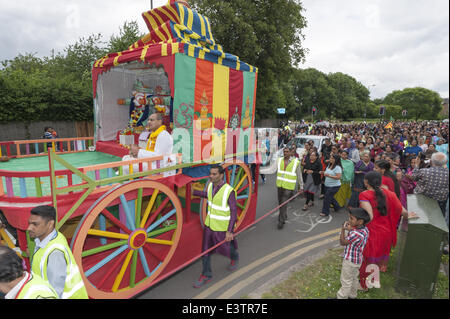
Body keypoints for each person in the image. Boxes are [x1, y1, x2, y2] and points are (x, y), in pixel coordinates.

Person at [358, 171, 411, 290]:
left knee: (367, 260)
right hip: (386, 233)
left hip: (372, 233)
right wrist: (414, 215)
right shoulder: (390, 194)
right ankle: (373, 281)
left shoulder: (364, 195)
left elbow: (369, 216)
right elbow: (403, 212)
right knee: (375, 260)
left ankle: (365, 285)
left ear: (366, 181)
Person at [193, 164, 239, 288]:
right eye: (210, 173)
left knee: (226, 248)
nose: (211, 176)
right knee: (205, 251)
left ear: (221, 175)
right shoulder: (210, 186)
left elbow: (234, 211)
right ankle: (206, 275)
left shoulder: (228, 191)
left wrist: (230, 231)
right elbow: (208, 196)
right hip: (209, 225)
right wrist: (194, 192)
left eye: (214, 174)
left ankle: (235, 257)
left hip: (221, 228)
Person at [27, 205, 88, 299]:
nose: (29, 228)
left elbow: (55, 292)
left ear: (50, 224)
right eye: (29, 223)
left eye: (35, 224)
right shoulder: (51, 237)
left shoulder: (55, 253)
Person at [336, 207, 370, 299]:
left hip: (350, 261)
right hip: (357, 260)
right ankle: (352, 295)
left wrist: (343, 229)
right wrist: (351, 229)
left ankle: (341, 297)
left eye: (351, 218)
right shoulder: (365, 230)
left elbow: (342, 242)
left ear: (360, 221)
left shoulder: (355, 234)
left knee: (346, 281)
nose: (349, 220)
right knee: (354, 279)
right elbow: (355, 234)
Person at [411, 152, 449, 216]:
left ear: (431, 161)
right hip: (440, 204)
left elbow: (414, 177)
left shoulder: (423, 171)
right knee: (439, 222)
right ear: (446, 162)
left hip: (421, 201)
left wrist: (417, 165)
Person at [276, 144, 303, 229]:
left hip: (288, 186)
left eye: (287, 151)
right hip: (279, 185)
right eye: (284, 151)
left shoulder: (296, 162)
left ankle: (281, 221)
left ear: (291, 152)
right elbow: (272, 169)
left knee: (283, 202)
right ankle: (284, 214)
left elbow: (299, 175)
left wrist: (301, 186)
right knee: (280, 203)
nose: (285, 153)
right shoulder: (279, 160)